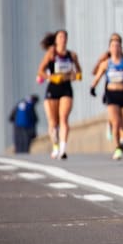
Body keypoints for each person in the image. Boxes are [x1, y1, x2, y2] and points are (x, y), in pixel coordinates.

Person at [90, 33, 123, 160]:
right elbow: (97, 76)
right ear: (109, 48)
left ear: (121, 48)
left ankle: (121, 137)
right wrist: (93, 87)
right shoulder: (106, 63)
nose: (115, 48)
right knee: (116, 122)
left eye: (117, 46)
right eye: (113, 46)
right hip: (111, 94)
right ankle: (117, 148)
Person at [35, 30, 82, 160]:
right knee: (53, 122)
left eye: (64, 37)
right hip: (53, 88)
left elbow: (79, 72)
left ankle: (62, 149)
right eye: (60, 37)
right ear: (56, 40)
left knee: (64, 118)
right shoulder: (51, 54)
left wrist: (76, 76)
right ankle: (55, 145)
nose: (63, 39)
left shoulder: (72, 55)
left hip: (66, 88)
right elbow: (40, 71)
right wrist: (50, 77)